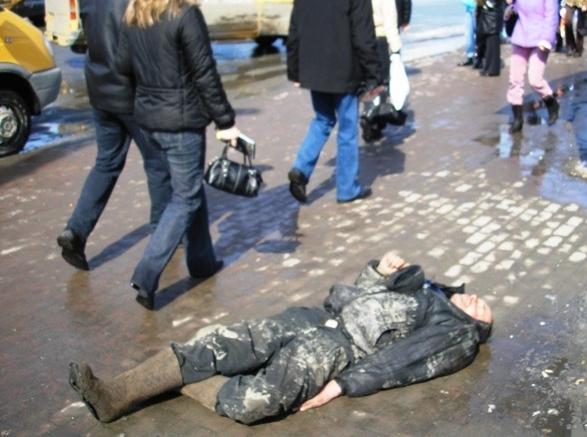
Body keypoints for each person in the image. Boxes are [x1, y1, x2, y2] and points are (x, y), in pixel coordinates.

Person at [69, 251, 493, 425]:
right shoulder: (428, 287)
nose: (477, 299)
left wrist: (341, 386)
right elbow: (364, 294)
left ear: (478, 327)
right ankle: (116, 393)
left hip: (337, 349)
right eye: (476, 298)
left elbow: (404, 362)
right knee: (226, 343)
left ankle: (185, 377)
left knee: (258, 402)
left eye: (482, 309)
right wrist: (380, 271)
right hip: (318, 316)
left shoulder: (457, 333)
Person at [117, 0, 241, 309]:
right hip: (180, 122)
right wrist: (225, 121)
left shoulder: (134, 14)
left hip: (149, 119)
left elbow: (123, 66)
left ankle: (201, 261)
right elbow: (204, 72)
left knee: (189, 191)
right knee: (185, 197)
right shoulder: (184, 15)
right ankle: (146, 274)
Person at [56, 0, 172, 271]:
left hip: (100, 89)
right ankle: (162, 234)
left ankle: (76, 230)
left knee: (106, 163)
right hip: (132, 93)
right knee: (158, 163)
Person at [286, 0, 382, 204]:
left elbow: (294, 30)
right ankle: (347, 189)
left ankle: (301, 168)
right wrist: (374, 73)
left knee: (323, 119)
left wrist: (294, 70)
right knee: (347, 130)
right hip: (344, 70)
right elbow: (363, 34)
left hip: (314, 69)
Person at [360, 0, 412, 143]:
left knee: (368, 83)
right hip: (381, 39)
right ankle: (372, 120)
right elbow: (390, 21)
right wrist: (396, 49)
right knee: (382, 84)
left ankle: (369, 116)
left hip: (362, 40)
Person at [505, 0, 560, 133]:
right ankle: (517, 119)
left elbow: (552, 15)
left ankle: (552, 103)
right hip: (520, 34)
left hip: (541, 38)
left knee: (535, 79)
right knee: (515, 79)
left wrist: (547, 38)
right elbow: (510, 5)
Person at [475, 0, 503, 76]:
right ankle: (489, 68)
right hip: (491, 12)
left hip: (492, 12)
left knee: (492, 41)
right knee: (489, 41)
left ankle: (492, 69)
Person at [458, 0, 478, 66]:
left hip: (479, 9)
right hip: (469, 11)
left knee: (478, 34)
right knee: (469, 35)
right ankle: (470, 57)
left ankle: (478, 56)